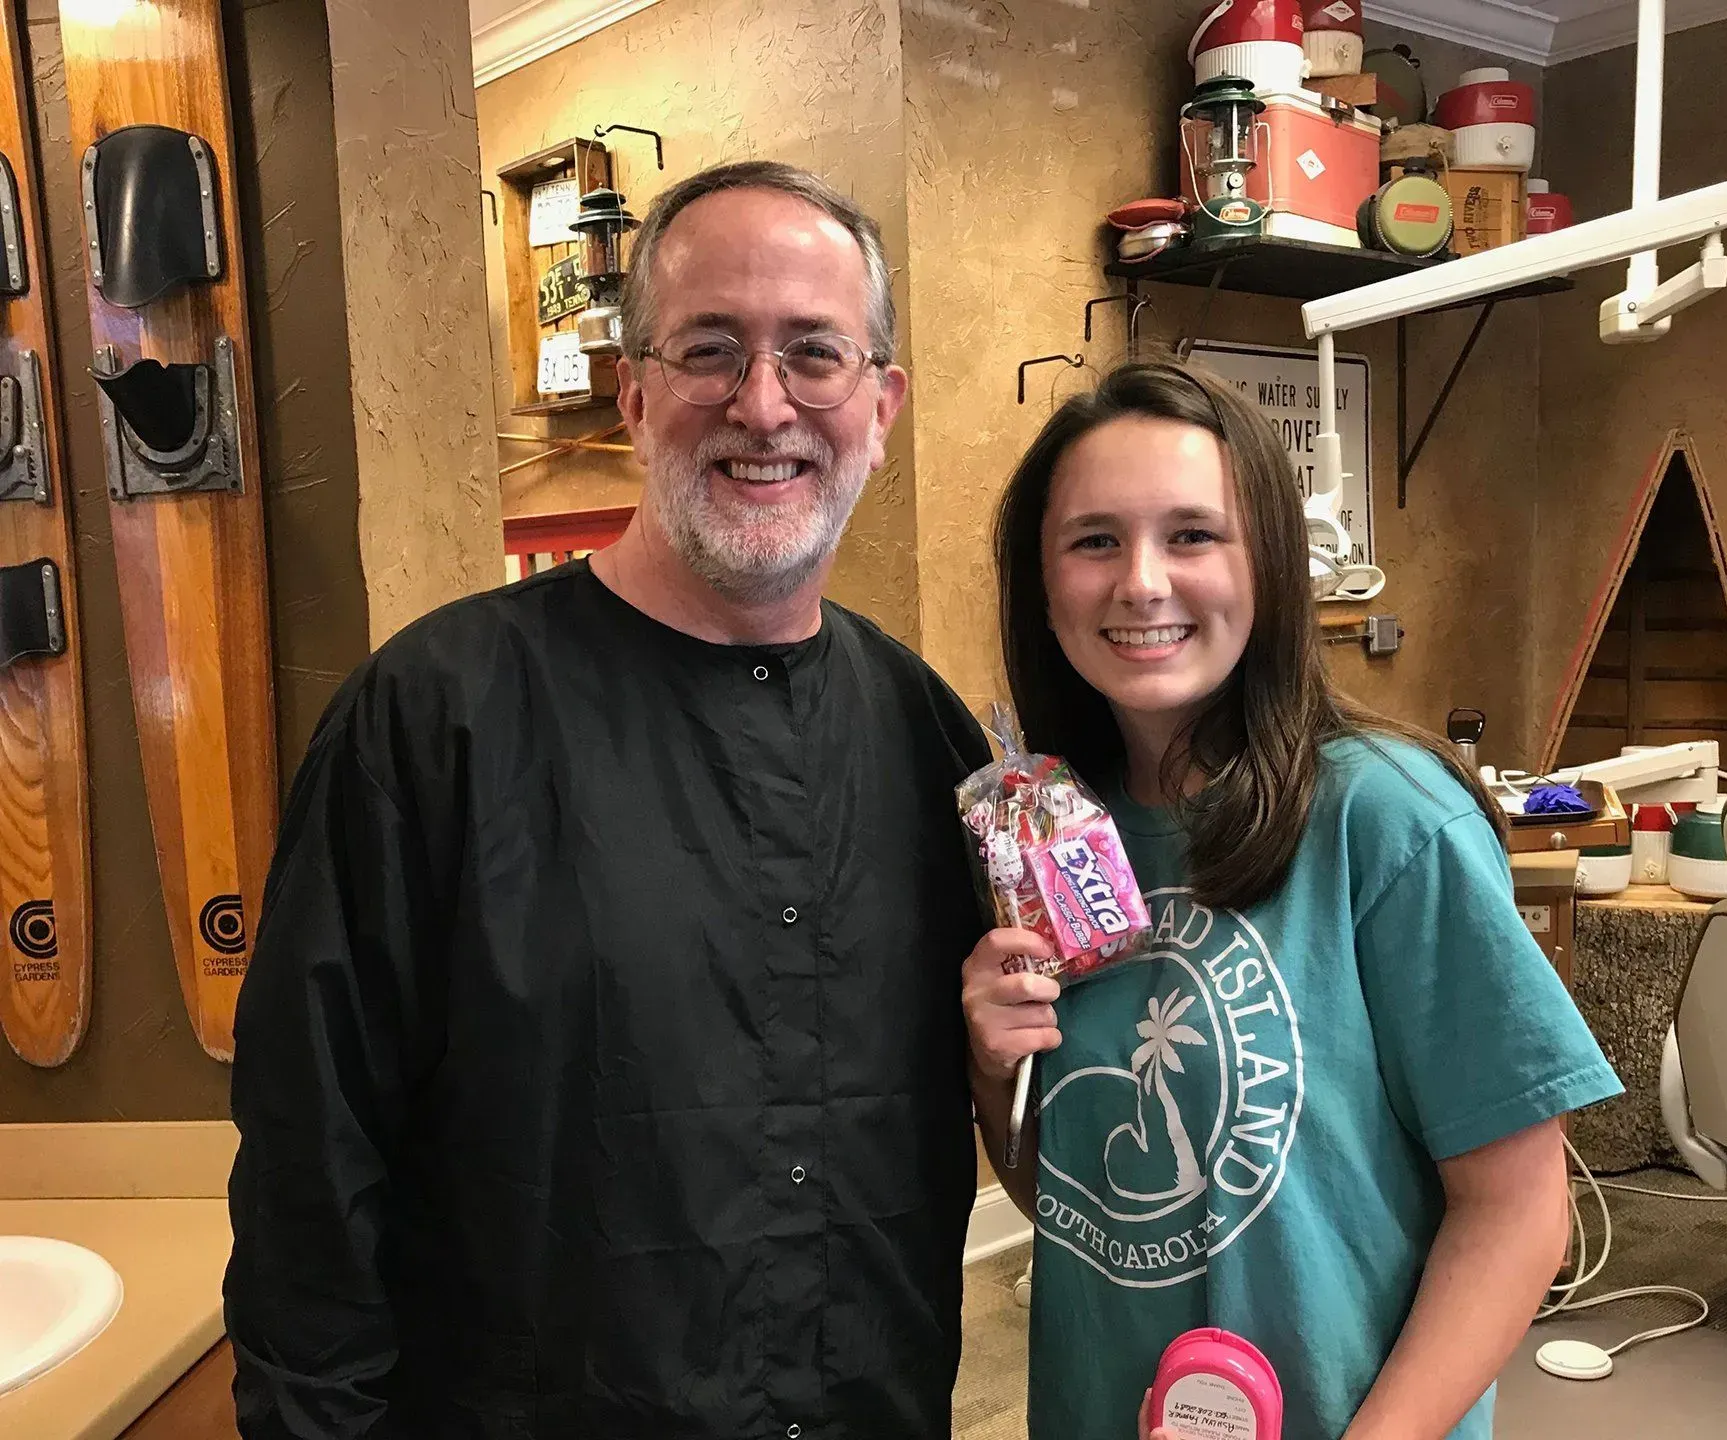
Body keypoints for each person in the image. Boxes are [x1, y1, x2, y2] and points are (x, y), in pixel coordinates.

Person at [225, 161, 992, 1440]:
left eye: (815, 354)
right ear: (632, 395)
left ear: (882, 404)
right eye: (709, 350)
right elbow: (313, 1166)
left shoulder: (927, 734)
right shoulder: (433, 717)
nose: (763, 404)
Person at [961, 361, 1623, 1440]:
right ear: (1042, 585)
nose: (1141, 582)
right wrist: (995, 1073)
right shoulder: (1051, 842)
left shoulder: (1389, 820)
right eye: (1093, 541)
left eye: (1191, 535)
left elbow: (1519, 1215)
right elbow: (1078, 1208)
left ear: (1268, 563)